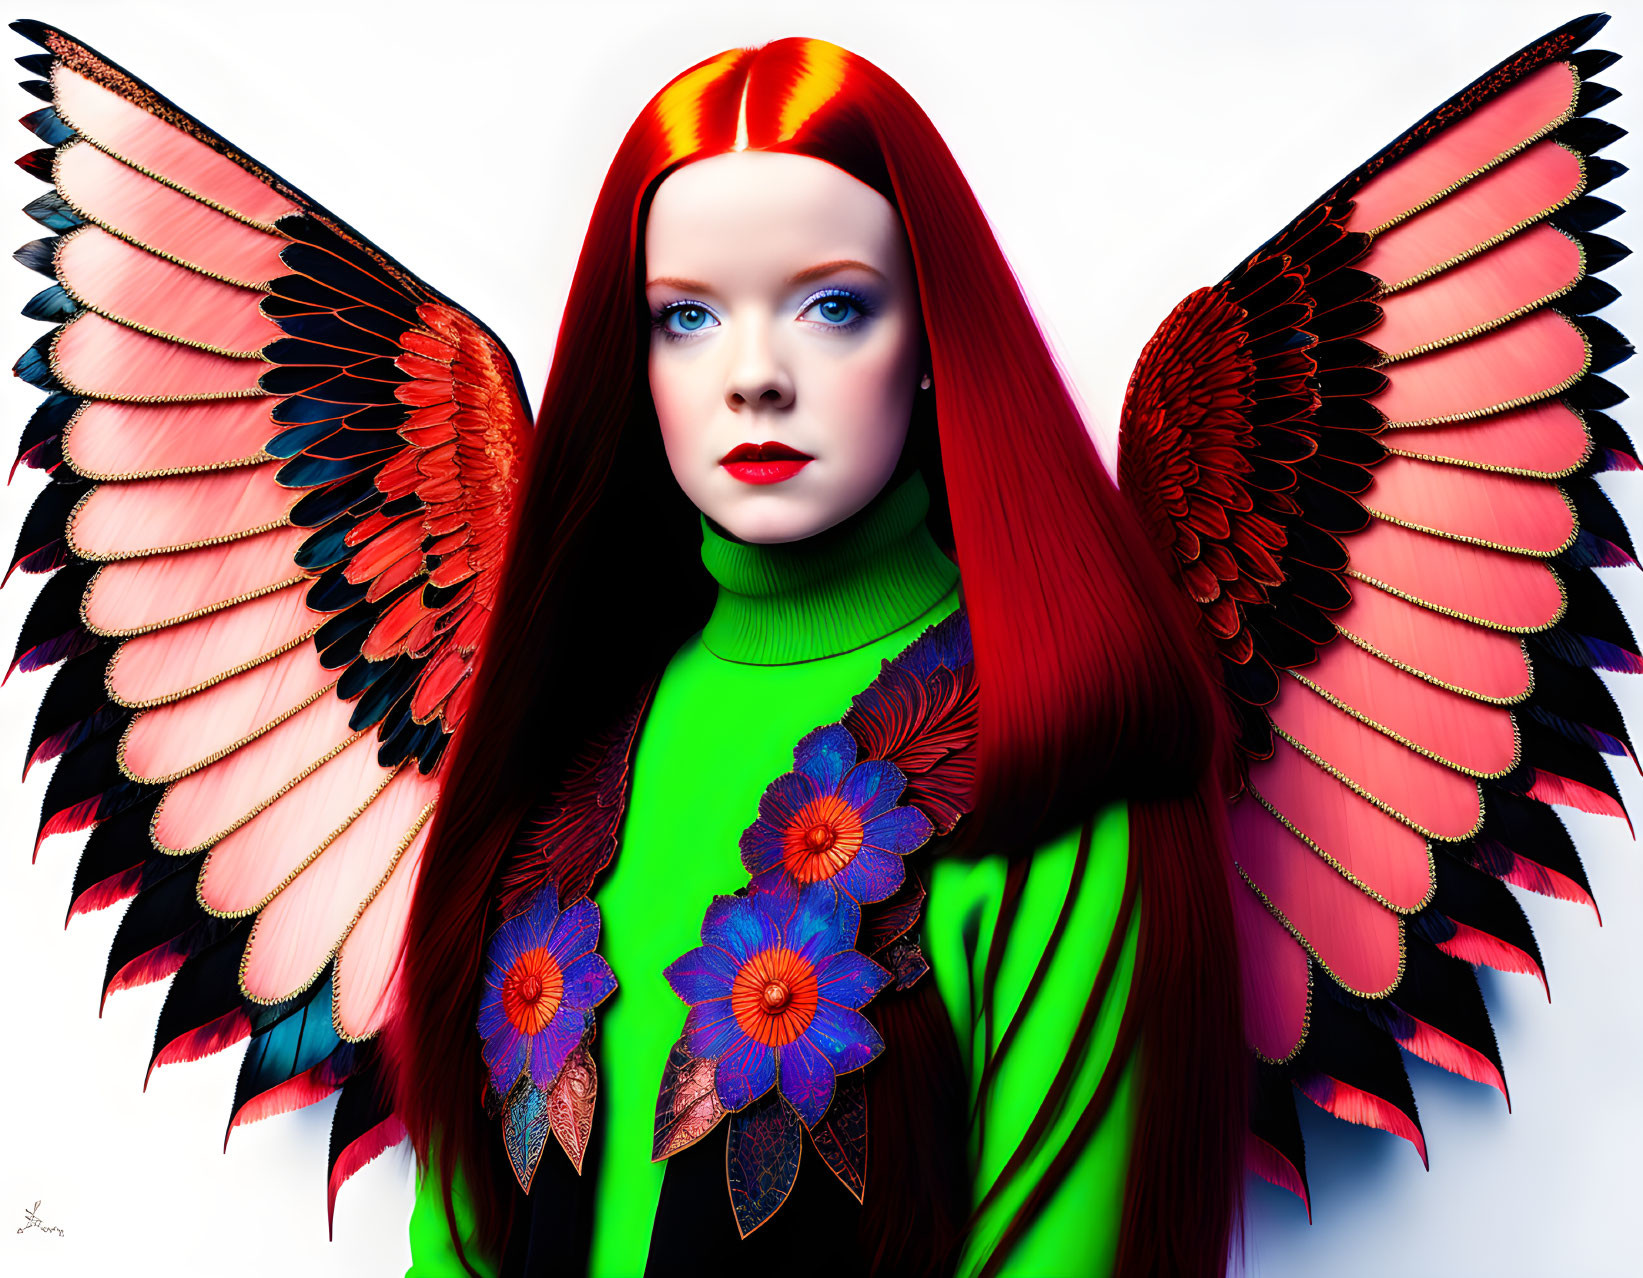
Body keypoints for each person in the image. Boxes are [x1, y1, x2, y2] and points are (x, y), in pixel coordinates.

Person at [391, 37, 1243, 1278]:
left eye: (831, 304)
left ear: (936, 339)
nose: (752, 376)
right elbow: (455, 1234)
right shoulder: (561, 743)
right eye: (685, 316)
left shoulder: (1047, 761)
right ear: (631, 363)